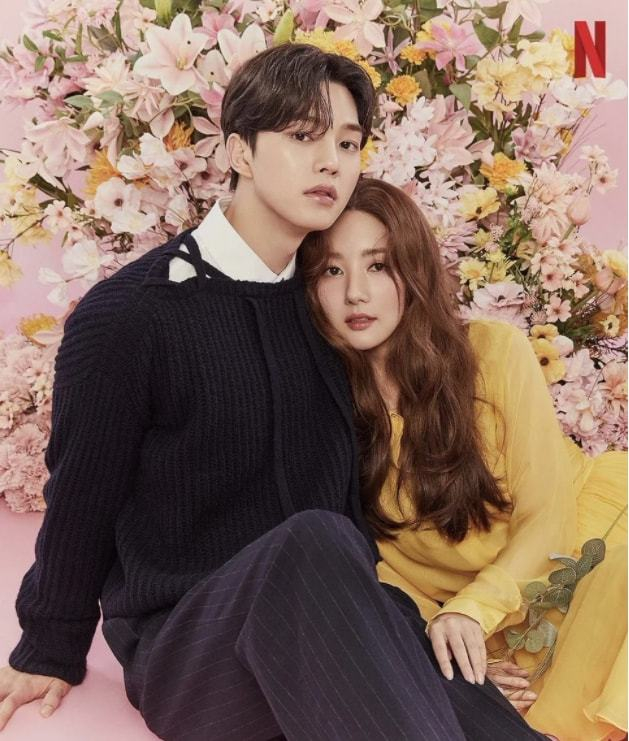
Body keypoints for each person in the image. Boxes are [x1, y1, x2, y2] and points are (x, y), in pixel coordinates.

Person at [0, 45, 547, 740]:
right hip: (193, 651)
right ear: (240, 152)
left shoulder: (328, 312)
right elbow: (82, 492)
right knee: (316, 541)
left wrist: (411, 647)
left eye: (346, 143)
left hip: (333, 623)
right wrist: (47, 646)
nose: (331, 163)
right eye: (303, 136)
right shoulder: (131, 316)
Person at [301, 176, 628, 741]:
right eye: (332, 270)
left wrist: (470, 611)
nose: (355, 292)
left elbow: (548, 517)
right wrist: (446, 655)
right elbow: (374, 580)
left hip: (598, 544)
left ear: (414, 271)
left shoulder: (493, 351)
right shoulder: (322, 423)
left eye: (378, 265)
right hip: (505, 630)